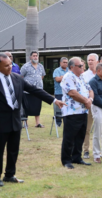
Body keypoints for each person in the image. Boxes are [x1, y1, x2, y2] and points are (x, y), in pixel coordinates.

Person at [0, 53, 65, 187]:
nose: (10, 68)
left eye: (10, 65)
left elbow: (35, 90)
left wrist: (53, 100)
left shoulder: (17, 78)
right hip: (1, 121)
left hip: (15, 120)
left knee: (13, 150)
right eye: (6, 66)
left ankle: (10, 175)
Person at [60, 57, 94, 169]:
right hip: (72, 112)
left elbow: (90, 90)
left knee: (80, 136)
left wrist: (90, 100)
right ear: (72, 67)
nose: (82, 68)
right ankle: (66, 160)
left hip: (83, 111)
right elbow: (72, 93)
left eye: (82, 66)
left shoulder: (82, 77)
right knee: (69, 137)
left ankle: (77, 157)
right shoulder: (68, 77)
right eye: (79, 66)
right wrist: (86, 101)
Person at [20, 51, 46, 128]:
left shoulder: (41, 66)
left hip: (38, 90)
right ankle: (25, 123)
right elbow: (21, 76)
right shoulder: (25, 66)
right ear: (30, 57)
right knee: (26, 107)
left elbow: (42, 76)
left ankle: (37, 123)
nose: (35, 57)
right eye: (34, 56)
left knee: (37, 107)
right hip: (27, 91)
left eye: (36, 56)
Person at [81, 53, 98, 159]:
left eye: (92, 60)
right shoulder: (84, 75)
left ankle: (98, 151)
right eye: (89, 60)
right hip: (89, 104)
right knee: (87, 129)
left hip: (100, 105)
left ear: (97, 61)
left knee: (99, 129)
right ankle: (86, 150)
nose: (90, 62)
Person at [53, 57, 69, 126]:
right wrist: (65, 77)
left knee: (67, 108)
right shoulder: (57, 70)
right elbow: (57, 79)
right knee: (58, 108)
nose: (65, 64)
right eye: (64, 62)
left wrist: (62, 77)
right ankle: (58, 123)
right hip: (59, 92)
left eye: (66, 62)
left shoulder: (69, 70)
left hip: (68, 93)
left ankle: (67, 122)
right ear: (60, 63)